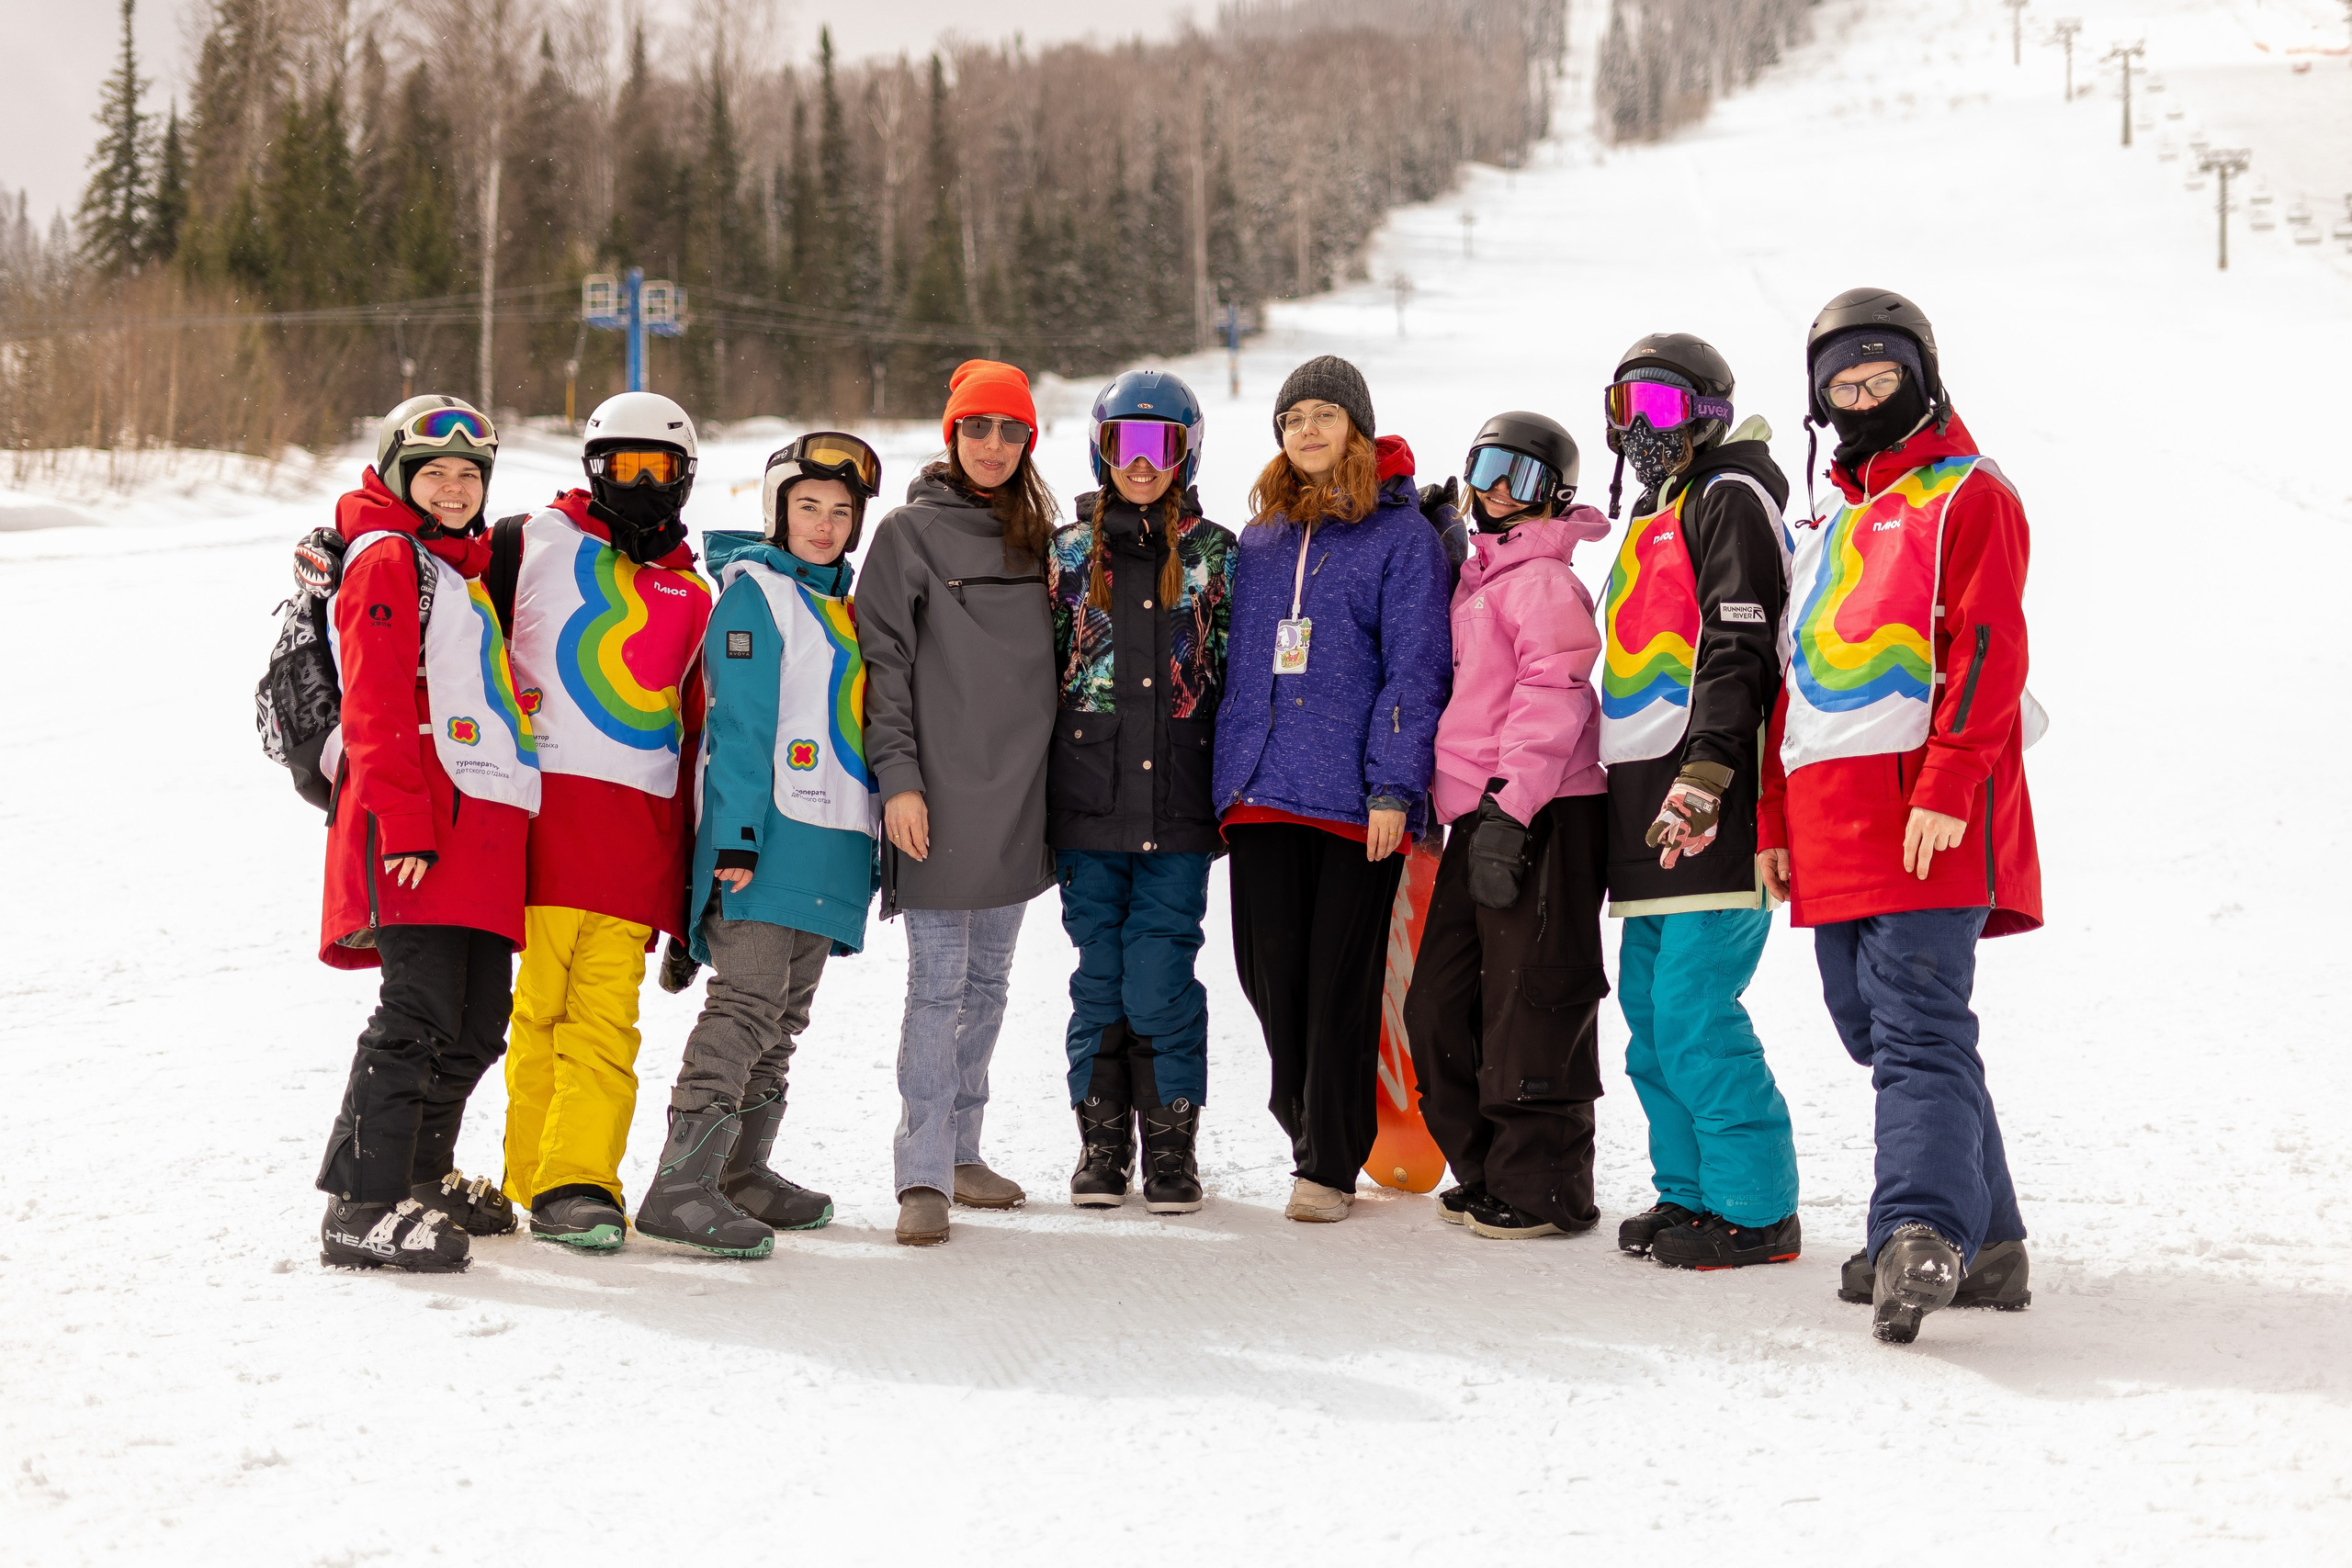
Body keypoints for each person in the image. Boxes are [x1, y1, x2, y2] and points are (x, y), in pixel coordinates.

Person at [1760, 288, 2042, 1344]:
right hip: (1830, 814)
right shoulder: (1827, 523)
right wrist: (1773, 824)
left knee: (1919, 1024)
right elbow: (1795, 680)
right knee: (1875, 1028)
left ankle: (1915, 1232)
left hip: (1924, 810)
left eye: (1882, 379)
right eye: (1844, 386)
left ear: (1922, 380)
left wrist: (1947, 785)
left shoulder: (1969, 496)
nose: (1864, 399)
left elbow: (1986, 652)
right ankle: (1994, 1240)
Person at [632, 433, 886, 1257]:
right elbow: (738, 727)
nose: (824, 524)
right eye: (807, 507)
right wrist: (735, 836)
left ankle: (740, 1171)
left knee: (784, 1017)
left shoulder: (839, 604)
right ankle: (681, 1184)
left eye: (841, 512)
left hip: (830, 843)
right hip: (768, 841)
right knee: (742, 1006)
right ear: (777, 511)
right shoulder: (756, 594)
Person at [1213, 355, 1451, 1224]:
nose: (1308, 431)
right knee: (1267, 974)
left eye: (1324, 415)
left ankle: (1328, 1159)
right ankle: (1305, 1111)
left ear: (1356, 425)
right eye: (1293, 418)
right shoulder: (1262, 537)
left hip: (1357, 802)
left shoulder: (1402, 538)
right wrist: (1226, 780)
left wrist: (1396, 787)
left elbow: (1416, 669)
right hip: (1264, 790)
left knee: (1337, 982)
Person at [315, 397, 537, 1272]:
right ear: (399, 476)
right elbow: (372, 705)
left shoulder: (460, 566)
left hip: (475, 824)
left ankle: (419, 1173)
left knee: (480, 1020)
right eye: (434, 473)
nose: (453, 487)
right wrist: (403, 825)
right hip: (415, 827)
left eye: (468, 474)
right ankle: (359, 1203)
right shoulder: (385, 559)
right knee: (417, 1014)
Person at [1595, 333, 1803, 1270]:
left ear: (1709, 414)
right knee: (1647, 1009)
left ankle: (1756, 1210)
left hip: (1706, 795)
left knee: (1692, 1007)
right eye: (1624, 407)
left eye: (1664, 408)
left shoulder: (1729, 496)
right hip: (1643, 794)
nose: (1640, 428)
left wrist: (1710, 773)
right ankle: (1689, 1190)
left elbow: (1737, 642)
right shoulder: (1657, 510)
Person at [486, 392, 712, 1251]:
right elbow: (435, 585)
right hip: (540, 827)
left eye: (657, 469)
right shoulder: (529, 540)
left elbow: (699, 737)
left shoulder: (693, 589)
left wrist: (691, 877)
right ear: (592, 468)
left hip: (633, 841)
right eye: (622, 467)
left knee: (604, 1018)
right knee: (535, 1011)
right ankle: (531, 1177)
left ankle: (579, 1179)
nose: (640, 484)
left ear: (683, 477)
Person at [858, 360, 1058, 1246]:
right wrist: (897, 779)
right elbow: (884, 668)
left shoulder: (1043, 538)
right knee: (937, 987)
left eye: (1010, 431)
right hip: (935, 794)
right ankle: (921, 1173)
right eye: (976, 428)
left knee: (990, 982)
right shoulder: (907, 533)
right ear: (951, 435)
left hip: (1022, 793)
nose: (992, 445)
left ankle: (964, 1148)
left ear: (1028, 443)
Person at [1402, 412, 1611, 1241]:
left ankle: (1546, 1187)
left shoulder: (1547, 583)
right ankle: (1489, 1166)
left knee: (1532, 996)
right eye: (1487, 466)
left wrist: (1510, 808)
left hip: (1545, 808)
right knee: (1439, 1003)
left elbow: (1551, 694)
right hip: (1483, 813)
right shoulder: (1483, 577)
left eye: (1520, 477)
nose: (1497, 489)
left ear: (1553, 496)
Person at [1046, 370, 1235, 1213]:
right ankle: (1101, 1140)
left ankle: (1169, 1140)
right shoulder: (1067, 554)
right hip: (1089, 803)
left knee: (1160, 968)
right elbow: (1036, 672)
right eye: (1127, 443)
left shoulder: (1216, 554)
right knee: (1100, 972)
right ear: (1102, 446)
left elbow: (1237, 672)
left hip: (1180, 806)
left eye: (1162, 444)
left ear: (1187, 450)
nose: (1143, 462)